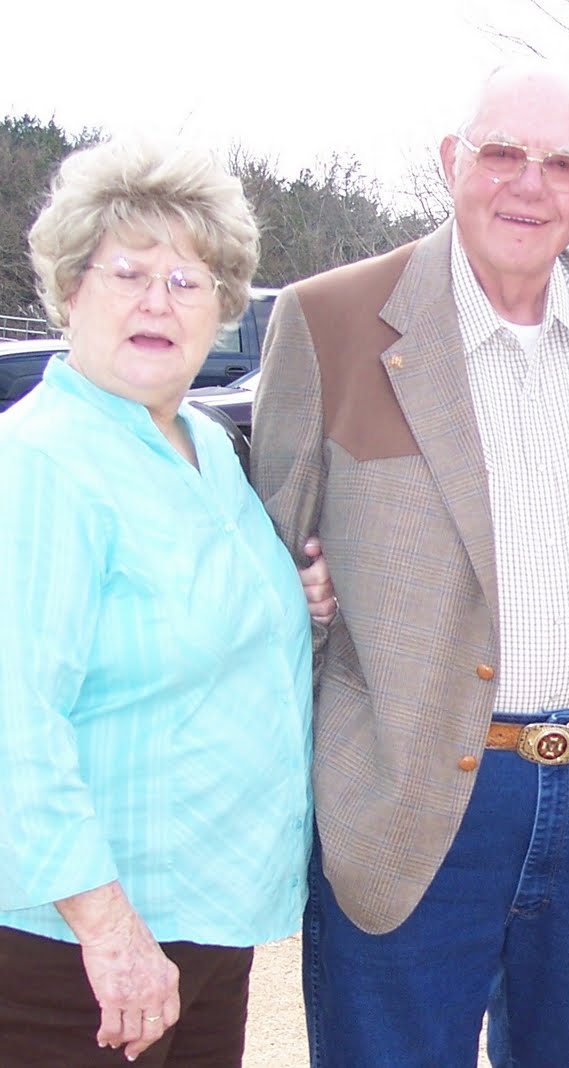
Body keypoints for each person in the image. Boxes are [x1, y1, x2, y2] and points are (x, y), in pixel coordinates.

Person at [251, 61, 569, 1068]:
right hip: (412, 799)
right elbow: (262, 568)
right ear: (450, 162)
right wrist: (302, 611)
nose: (530, 184)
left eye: (562, 163)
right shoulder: (332, 323)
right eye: (502, 154)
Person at [0, 139, 315, 1065]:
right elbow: (13, 720)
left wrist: (301, 601)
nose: (157, 300)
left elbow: (188, 621)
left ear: (223, 307)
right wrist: (108, 930)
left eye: (189, 279)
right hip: (75, 954)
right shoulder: (39, 464)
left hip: (206, 925)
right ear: (68, 290)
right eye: (128, 272)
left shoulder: (203, 446)